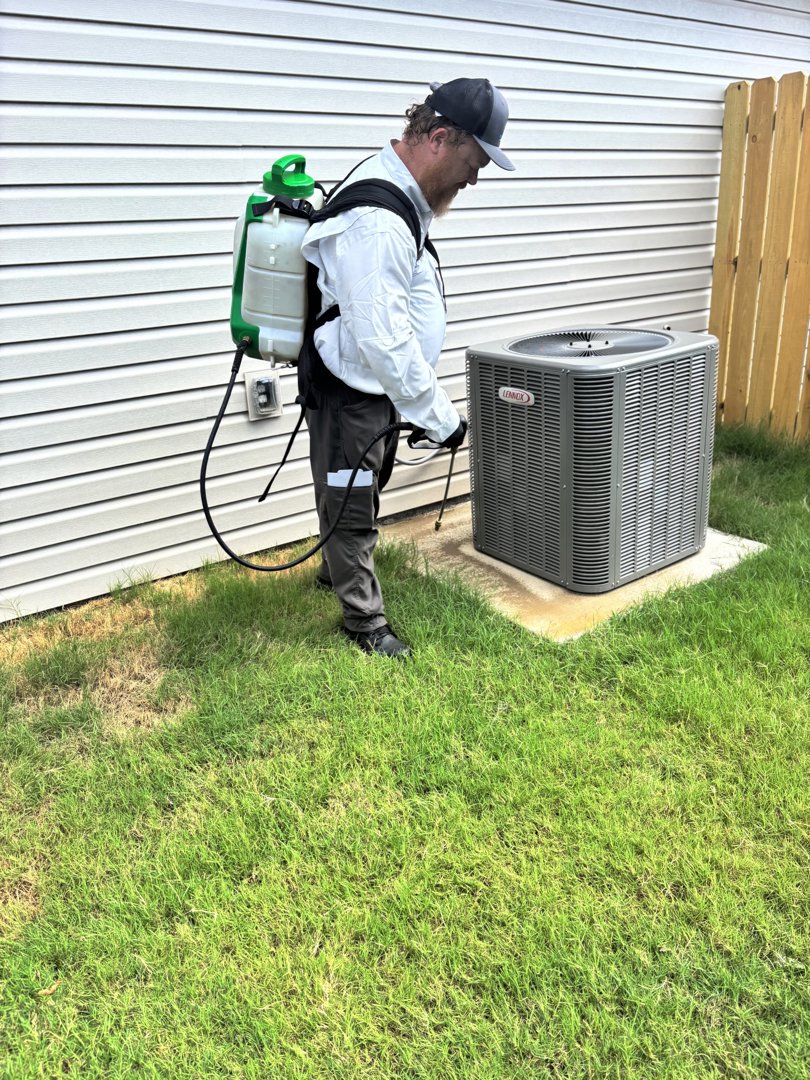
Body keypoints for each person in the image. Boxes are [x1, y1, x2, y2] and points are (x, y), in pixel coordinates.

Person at [301, 78, 515, 657]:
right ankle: (364, 623)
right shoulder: (377, 221)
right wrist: (440, 417)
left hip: (376, 388)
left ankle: (334, 570)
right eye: (473, 164)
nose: (474, 179)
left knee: (361, 486)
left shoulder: (402, 195)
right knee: (351, 496)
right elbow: (385, 341)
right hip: (352, 384)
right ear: (440, 138)